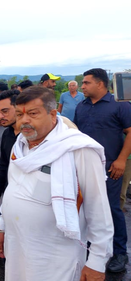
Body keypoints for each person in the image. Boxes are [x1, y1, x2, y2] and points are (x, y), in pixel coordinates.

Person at [0, 85, 114, 281]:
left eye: (33, 113)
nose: (24, 120)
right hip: (17, 247)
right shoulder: (20, 144)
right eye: (20, 114)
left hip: (56, 256)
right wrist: (1, 227)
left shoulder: (78, 150)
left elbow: (98, 209)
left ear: (52, 114)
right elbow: (13, 189)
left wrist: (97, 262)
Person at [74, 68, 131, 272]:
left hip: (111, 168)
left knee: (111, 208)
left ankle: (119, 253)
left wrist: (122, 160)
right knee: (88, 208)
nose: (82, 86)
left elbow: (130, 132)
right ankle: (93, 248)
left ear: (100, 84)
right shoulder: (82, 106)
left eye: (86, 83)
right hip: (85, 168)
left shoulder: (119, 106)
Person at [0, 90, 20, 212]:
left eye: (5, 111)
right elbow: (4, 166)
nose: (0, 116)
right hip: (8, 195)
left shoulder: (31, 137)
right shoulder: (7, 134)